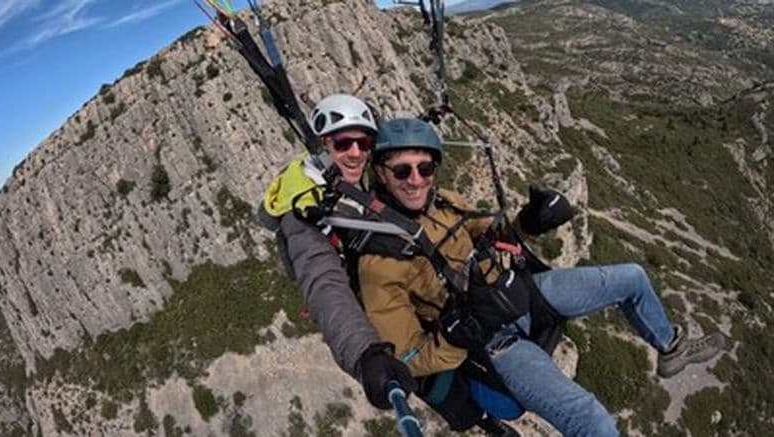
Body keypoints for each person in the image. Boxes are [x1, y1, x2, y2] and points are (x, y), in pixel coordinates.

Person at [353, 117, 726, 436]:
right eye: (402, 170)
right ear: (381, 174)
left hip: (517, 291)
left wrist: (529, 221)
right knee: (592, 420)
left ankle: (671, 348)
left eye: (425, 168)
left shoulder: (446, 201)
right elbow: (407, 358)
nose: (416, 180)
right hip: (492, 341)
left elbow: (488, 233)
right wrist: (455, 337)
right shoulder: (380, 261)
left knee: (632, 276)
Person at [258, 94, 418, 410]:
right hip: (372, 301)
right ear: (324, 145)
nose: (356, 153)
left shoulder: (354, 180)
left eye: (365, 143)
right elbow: (322, 282)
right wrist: (365, 354)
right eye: (344, 143)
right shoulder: (304, 207)